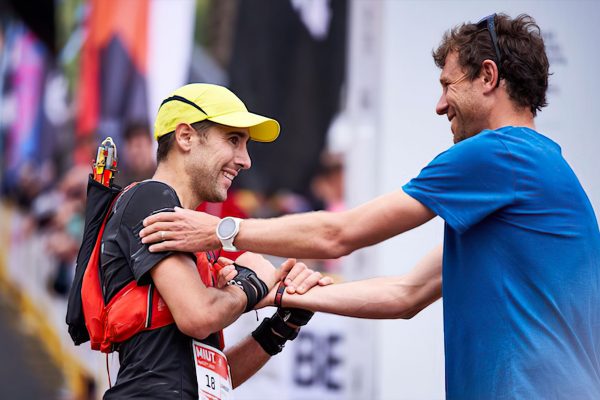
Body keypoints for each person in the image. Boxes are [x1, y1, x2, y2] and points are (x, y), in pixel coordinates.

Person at [140, 13, 600, 399]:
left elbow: (339, 235)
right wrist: (281, 295)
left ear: (487, 76)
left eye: (447, 84)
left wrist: (221, 232)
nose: (440, 106)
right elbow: (404, 295)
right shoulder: (530, 173)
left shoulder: (501, 154)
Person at [98, 83, 329, 399]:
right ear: (186, 137)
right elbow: (199, 316)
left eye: (246, 144)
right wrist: (251, 284)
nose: (245, 160)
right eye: (233, 140)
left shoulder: (190, 235)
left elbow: (208, 379)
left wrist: (282, 326)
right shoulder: (151, 196)